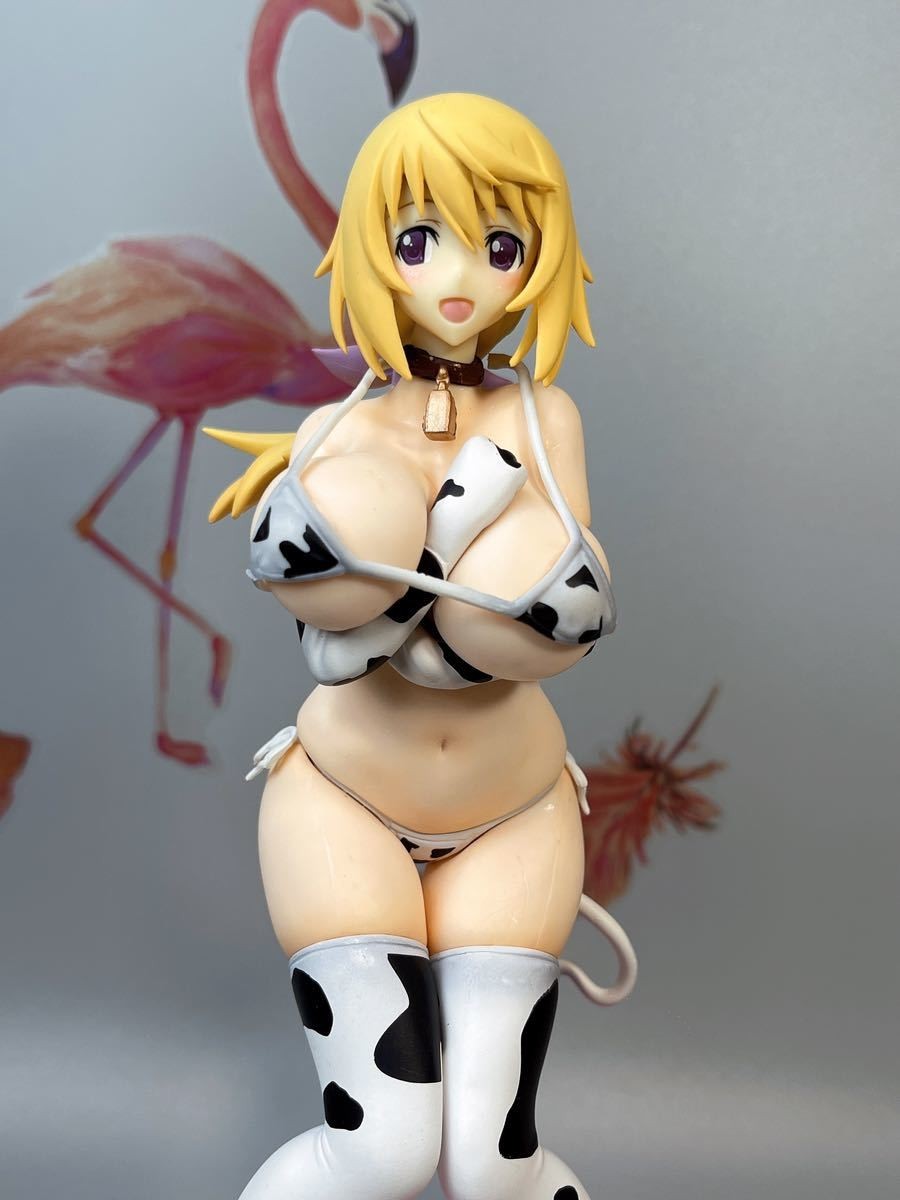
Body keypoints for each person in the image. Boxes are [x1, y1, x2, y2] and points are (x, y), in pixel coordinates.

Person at [208, 92, 635, 1200]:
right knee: (381, 1147)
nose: (459, 278)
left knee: (493, 1165)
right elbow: (332, 640)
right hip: (343, 805)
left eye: (501, 246)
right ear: (370, 251)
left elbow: (562, 607)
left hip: (515, 813)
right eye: (416, 241)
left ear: (539, 259)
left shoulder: (546, 421)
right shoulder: (335, 429)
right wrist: (446, 538)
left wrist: (438, 596)